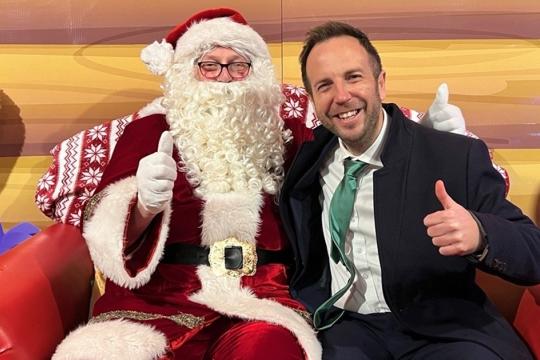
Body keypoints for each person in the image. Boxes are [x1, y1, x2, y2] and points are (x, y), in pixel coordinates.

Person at [50, 8, 482, 360]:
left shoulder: (287, 132)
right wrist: (143, 204)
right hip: (159, 304)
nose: (225, 77)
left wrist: (431, 142)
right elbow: (103, 230)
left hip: (261, 299)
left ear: (256, 73)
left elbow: (360, 146)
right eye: (209, 65)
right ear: (185, 72)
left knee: (270, 350)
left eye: (239, 65)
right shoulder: (150, 129)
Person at [278, 21, 540, 360]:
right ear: (313, 99)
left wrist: (481, 234)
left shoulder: (450, 155)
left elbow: (534, 252)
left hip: (443, 330)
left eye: (353, 77)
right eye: (325, 85)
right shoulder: (307, 161)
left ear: (381, 83)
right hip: (347, 328)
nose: (341, 96)